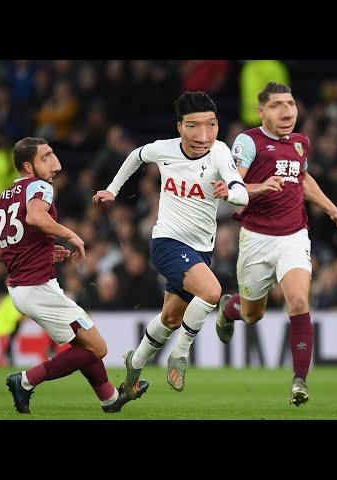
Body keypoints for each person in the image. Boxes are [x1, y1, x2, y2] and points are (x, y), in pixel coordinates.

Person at [93, 91, 249, 395]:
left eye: (211, 125)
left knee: (170, 318)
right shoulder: (164, 150)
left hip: (201, 250)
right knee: (213, 292)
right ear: (179, 126)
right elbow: (135, 156)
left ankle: (133, 366)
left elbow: (241, 192)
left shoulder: (219, 153)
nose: (203, 134)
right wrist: (112, 190)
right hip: (167, 242)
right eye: (193, 125)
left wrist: (229, 192)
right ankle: (180, 354)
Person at [0, 136, 149, 414]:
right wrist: (71, 234)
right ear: (27, 165)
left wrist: (36, 254)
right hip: (38, 288)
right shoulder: (40, 187)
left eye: (51, 154)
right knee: (97, 347)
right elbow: (36, 217)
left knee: (84, 344)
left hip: (23, 289)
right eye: (44, 157)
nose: (52, 161)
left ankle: (109, 399)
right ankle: (24, 381)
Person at [216, 82, 337, 406]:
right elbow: (233, 188)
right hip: (256, 238)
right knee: (252, 315)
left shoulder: (300, 143)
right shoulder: (249, 142)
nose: (287, 111)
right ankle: (228, 308)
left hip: (293, 236)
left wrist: (333, 211)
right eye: (277, 105)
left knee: (298, 303)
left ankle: (299, 382)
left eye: (291, 103)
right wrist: (261, 187)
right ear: (262, 110)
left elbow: (303, 180)